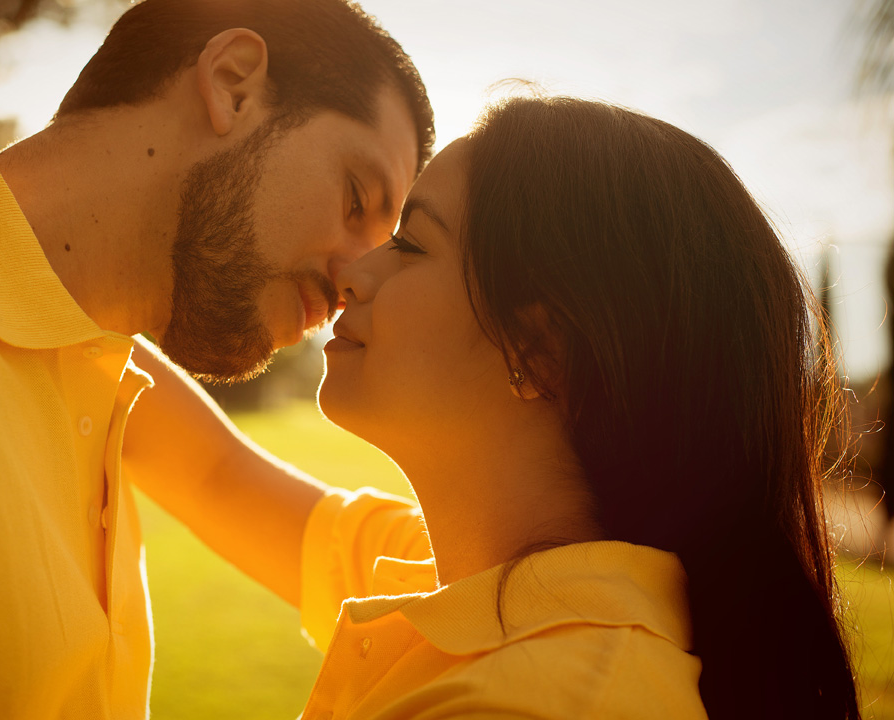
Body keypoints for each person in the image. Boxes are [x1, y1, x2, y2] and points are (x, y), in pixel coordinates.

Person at [124, 93, 862, 719]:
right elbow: (207, 472)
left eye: (411, 244)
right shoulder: (468, 584)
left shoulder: (529, 702)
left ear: (537, 353)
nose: (351, 270)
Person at [0, 0, 433, 716]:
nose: (354, 279)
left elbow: (218, 472)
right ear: (232, 83)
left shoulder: (98, 378)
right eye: (356, 197)